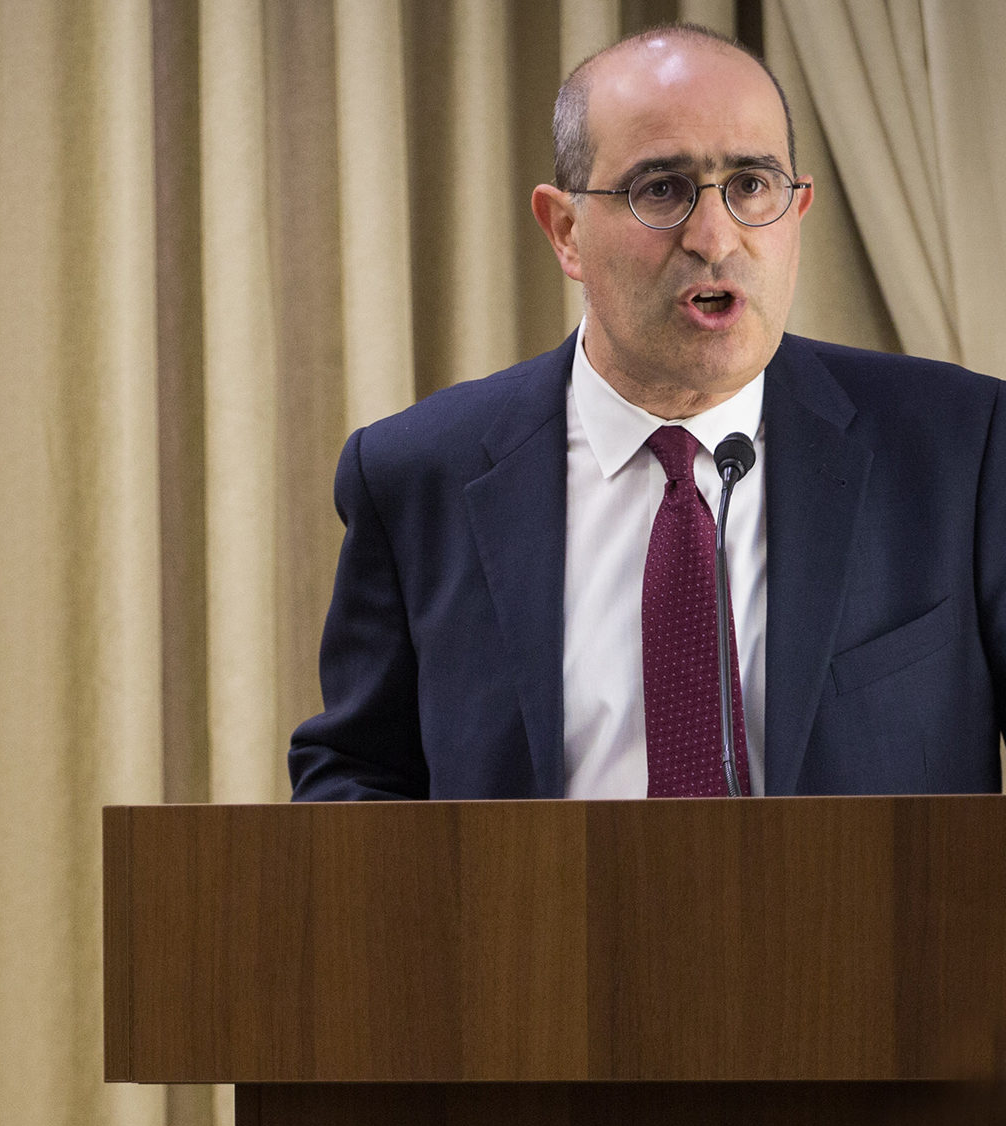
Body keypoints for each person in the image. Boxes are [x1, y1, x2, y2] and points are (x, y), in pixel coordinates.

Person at [289, 24, 1006, 801]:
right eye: (660, 189)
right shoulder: (414, 475)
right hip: (539, 924)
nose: (714, 237)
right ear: (566, 231)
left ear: (797, 211)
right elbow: (357, 780)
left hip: (871, 923)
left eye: (752, 185)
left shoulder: (959, 447)